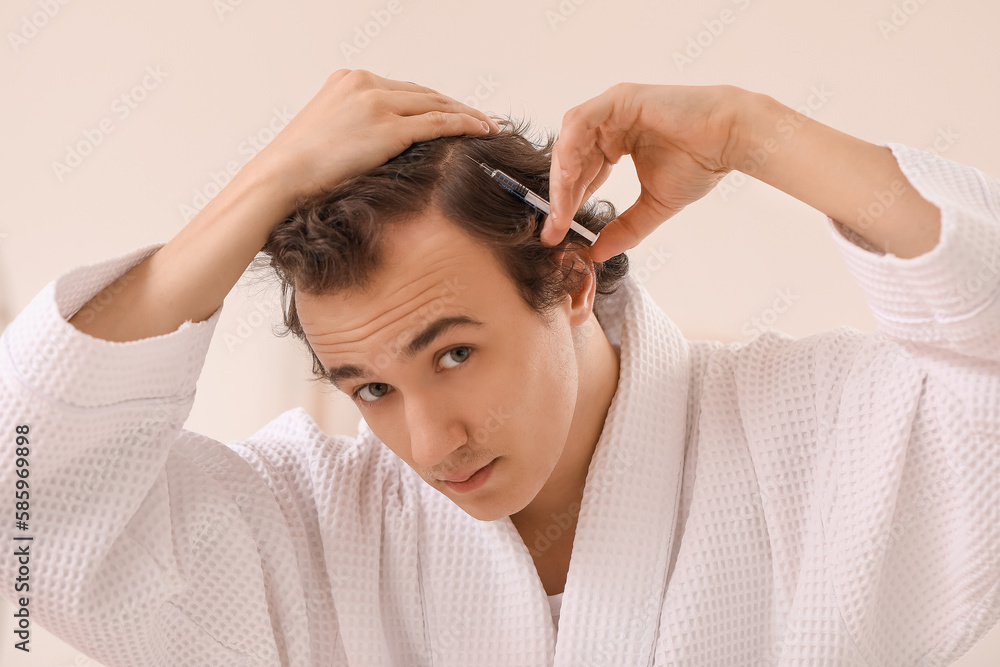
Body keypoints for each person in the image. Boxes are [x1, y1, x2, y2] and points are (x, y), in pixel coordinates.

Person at [1, 68, 998, 666]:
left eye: (455, 353)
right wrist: (258, 189)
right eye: (372, 389)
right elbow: (23, 508)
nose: (430, 441)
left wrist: (753, 131)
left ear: (568, 278)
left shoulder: (815, 438)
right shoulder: (309, 525)